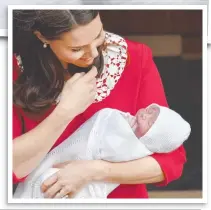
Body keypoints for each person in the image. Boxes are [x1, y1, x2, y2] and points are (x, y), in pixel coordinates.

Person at [13, 10, 187, 199]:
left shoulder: (133, 58)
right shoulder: (13, 71)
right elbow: (11, 166)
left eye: (99, 36)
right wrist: (64, 112)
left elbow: (171, 161)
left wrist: (94, 171)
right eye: (76, 49)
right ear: (42, 37)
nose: (94, 53)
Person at [13, 104, 191, 199]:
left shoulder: (137, 58)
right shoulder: (117, 116)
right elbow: (103, 120)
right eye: (150, 111)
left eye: (151, 123)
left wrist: (92, 170)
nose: (145, 115)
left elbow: (173, 162)